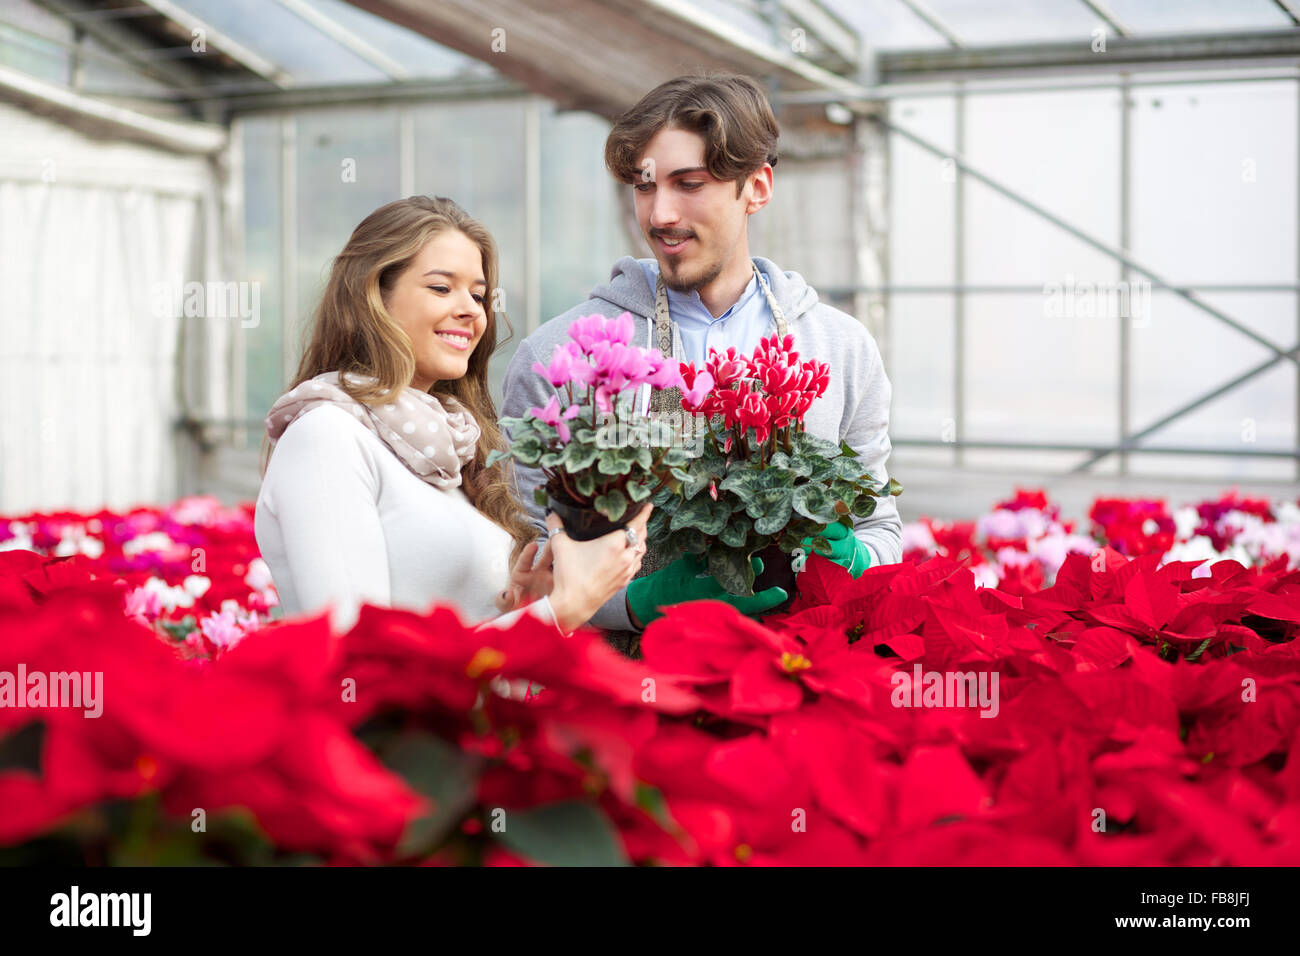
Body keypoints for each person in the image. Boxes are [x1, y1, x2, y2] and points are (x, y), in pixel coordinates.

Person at [502, 72, 902, 657]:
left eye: (689, 184)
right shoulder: (560, 355)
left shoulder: (839, 348)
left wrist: (856, 559)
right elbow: (523, 552)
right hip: (628, 697)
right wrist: (632, 605)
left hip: (799, 682)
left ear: (757, 187)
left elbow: (881, 527)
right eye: (644, 187)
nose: (660, 213)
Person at [254, 196, 650, 636]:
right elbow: (357, 664)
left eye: (478, 295)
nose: (472, 310)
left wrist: (524, 606)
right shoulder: (327, 437)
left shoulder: (454, 445)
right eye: (441, 288)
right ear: (372, 298)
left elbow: (463, 651)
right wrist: (564, 610)